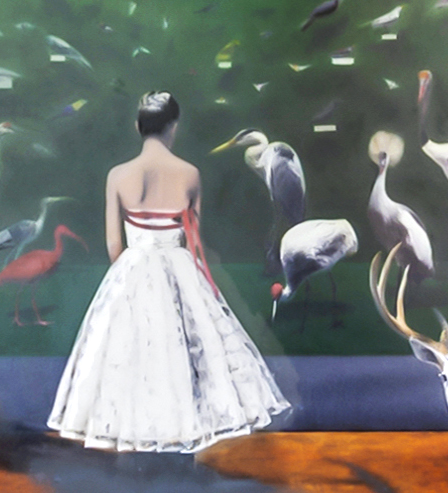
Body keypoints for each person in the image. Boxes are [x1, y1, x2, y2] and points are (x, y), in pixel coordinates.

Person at [43, 91, 292, 453]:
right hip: (180, 269)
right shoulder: (190, 174)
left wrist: (133, 279)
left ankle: (139, 436)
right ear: (173, 126)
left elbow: (115, 246)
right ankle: (180, 430)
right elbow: (194, 240)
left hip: (132, 268)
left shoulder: (117, 175)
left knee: (131, 355)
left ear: (137, 127)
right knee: (185, 353)